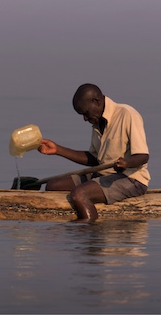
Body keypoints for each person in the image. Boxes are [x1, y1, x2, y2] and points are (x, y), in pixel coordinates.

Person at [38, 83, 150, 222]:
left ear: (96, 101)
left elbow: (143, 156)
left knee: (79, 194)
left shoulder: (127, 114)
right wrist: (58, 150)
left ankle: (91, 231)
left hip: (131, 179)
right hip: (104, 174)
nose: (85, 118)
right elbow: (94, 159)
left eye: (85, 113)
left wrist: (126, 163)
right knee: (53, 186)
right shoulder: (97, 122)